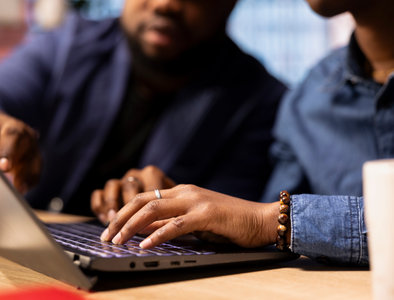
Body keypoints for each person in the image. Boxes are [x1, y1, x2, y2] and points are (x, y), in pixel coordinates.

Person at [99, 0, 394, 266]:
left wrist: (271, 221)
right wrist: (188, 215)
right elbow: (268, 226)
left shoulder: (273, 94)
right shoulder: (307, 98)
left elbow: (269, 220)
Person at [0, 0, 286, 220]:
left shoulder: (261, 100)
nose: (166, 4)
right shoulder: (70, 44)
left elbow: (233, 215)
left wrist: (173, 205)